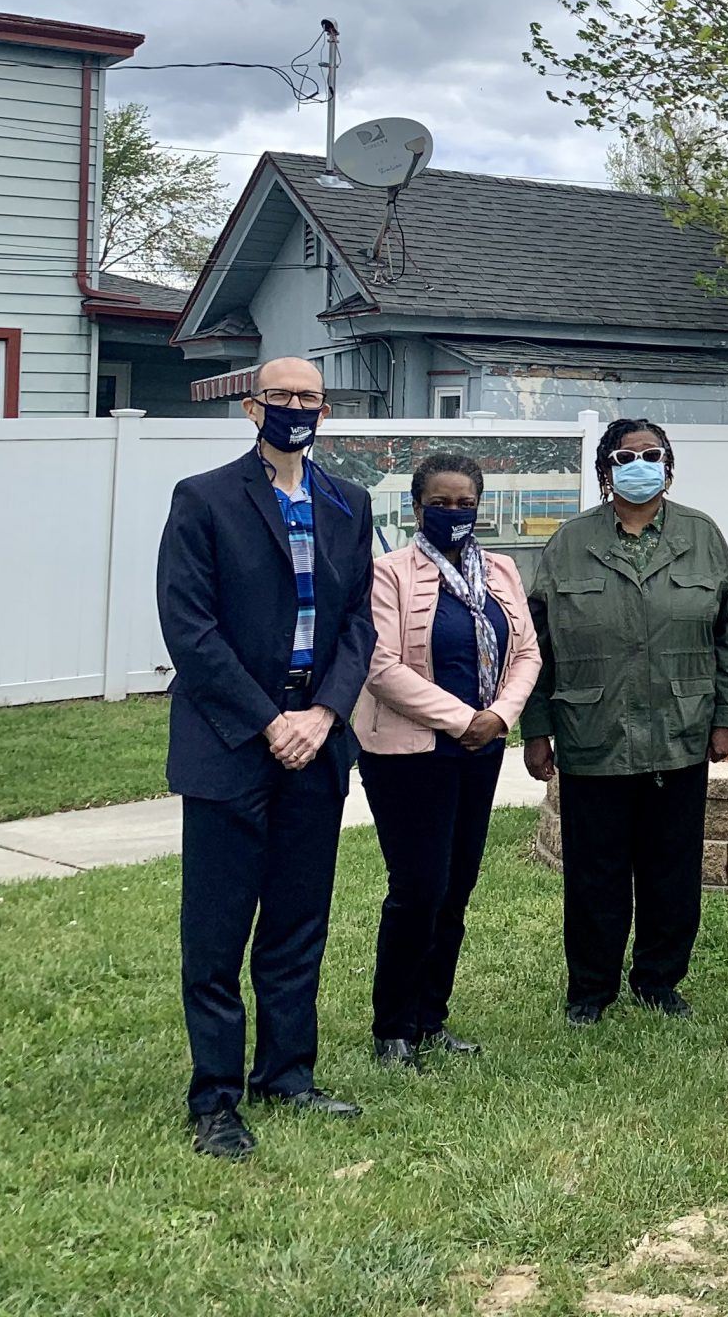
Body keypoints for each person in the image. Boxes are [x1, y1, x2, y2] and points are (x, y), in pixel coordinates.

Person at [155, 356, 375, 1161]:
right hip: (230, 743)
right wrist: (266, 721)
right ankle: (214, 1098)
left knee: (296, 922)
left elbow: (359, 625)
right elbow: (190, 629)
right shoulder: (204, 499)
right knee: (215, 933)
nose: (295, 407)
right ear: (253, 409)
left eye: (309, 397)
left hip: (317, 743)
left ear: (324, 410)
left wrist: (323, 712)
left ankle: (288, 1073)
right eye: (280, 396)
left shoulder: (347, 503)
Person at [521, 418, 728, 1027]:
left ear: (669, 465)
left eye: (652, 455)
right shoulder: (569, 543)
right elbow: (533, 643)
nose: (639, 464)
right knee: (594, 872)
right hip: (590, 732)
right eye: (625, 457)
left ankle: (659, 980)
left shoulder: (701, 535)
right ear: (606, 469)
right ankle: (590, 990)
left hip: (680, 729)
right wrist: (537, 726)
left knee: (671, 867)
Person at [354, 453, 543, 1066]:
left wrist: (499, 717)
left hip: (480, 752)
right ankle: (393, 1028)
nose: (454, 513)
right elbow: (381, 667)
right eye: (441, 503)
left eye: (465, 503)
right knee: (419, 887)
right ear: (417, 507)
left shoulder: (504, 571)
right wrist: (465, 719)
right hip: (409, 757)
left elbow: (528, 654)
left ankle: (431, 1020)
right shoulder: (388, 574)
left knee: (457, 887)